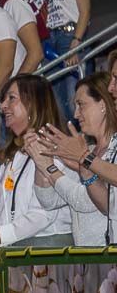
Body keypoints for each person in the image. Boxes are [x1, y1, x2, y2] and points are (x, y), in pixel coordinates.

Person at [27, 73, 117, 246]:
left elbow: (84, 201)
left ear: (103, 105)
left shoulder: (110, 150)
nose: (76, 114)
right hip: (83, 260)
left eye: (81, 105)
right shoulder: (87, 149)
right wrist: (41, 158)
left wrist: (50, 169)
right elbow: (49, 200)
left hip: (106, 258)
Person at [29, 0, 95, 111]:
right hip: (47, 42)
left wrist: (77, 42)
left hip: (70, 36)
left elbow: (85, 11)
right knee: (55, 102)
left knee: (76, 98)